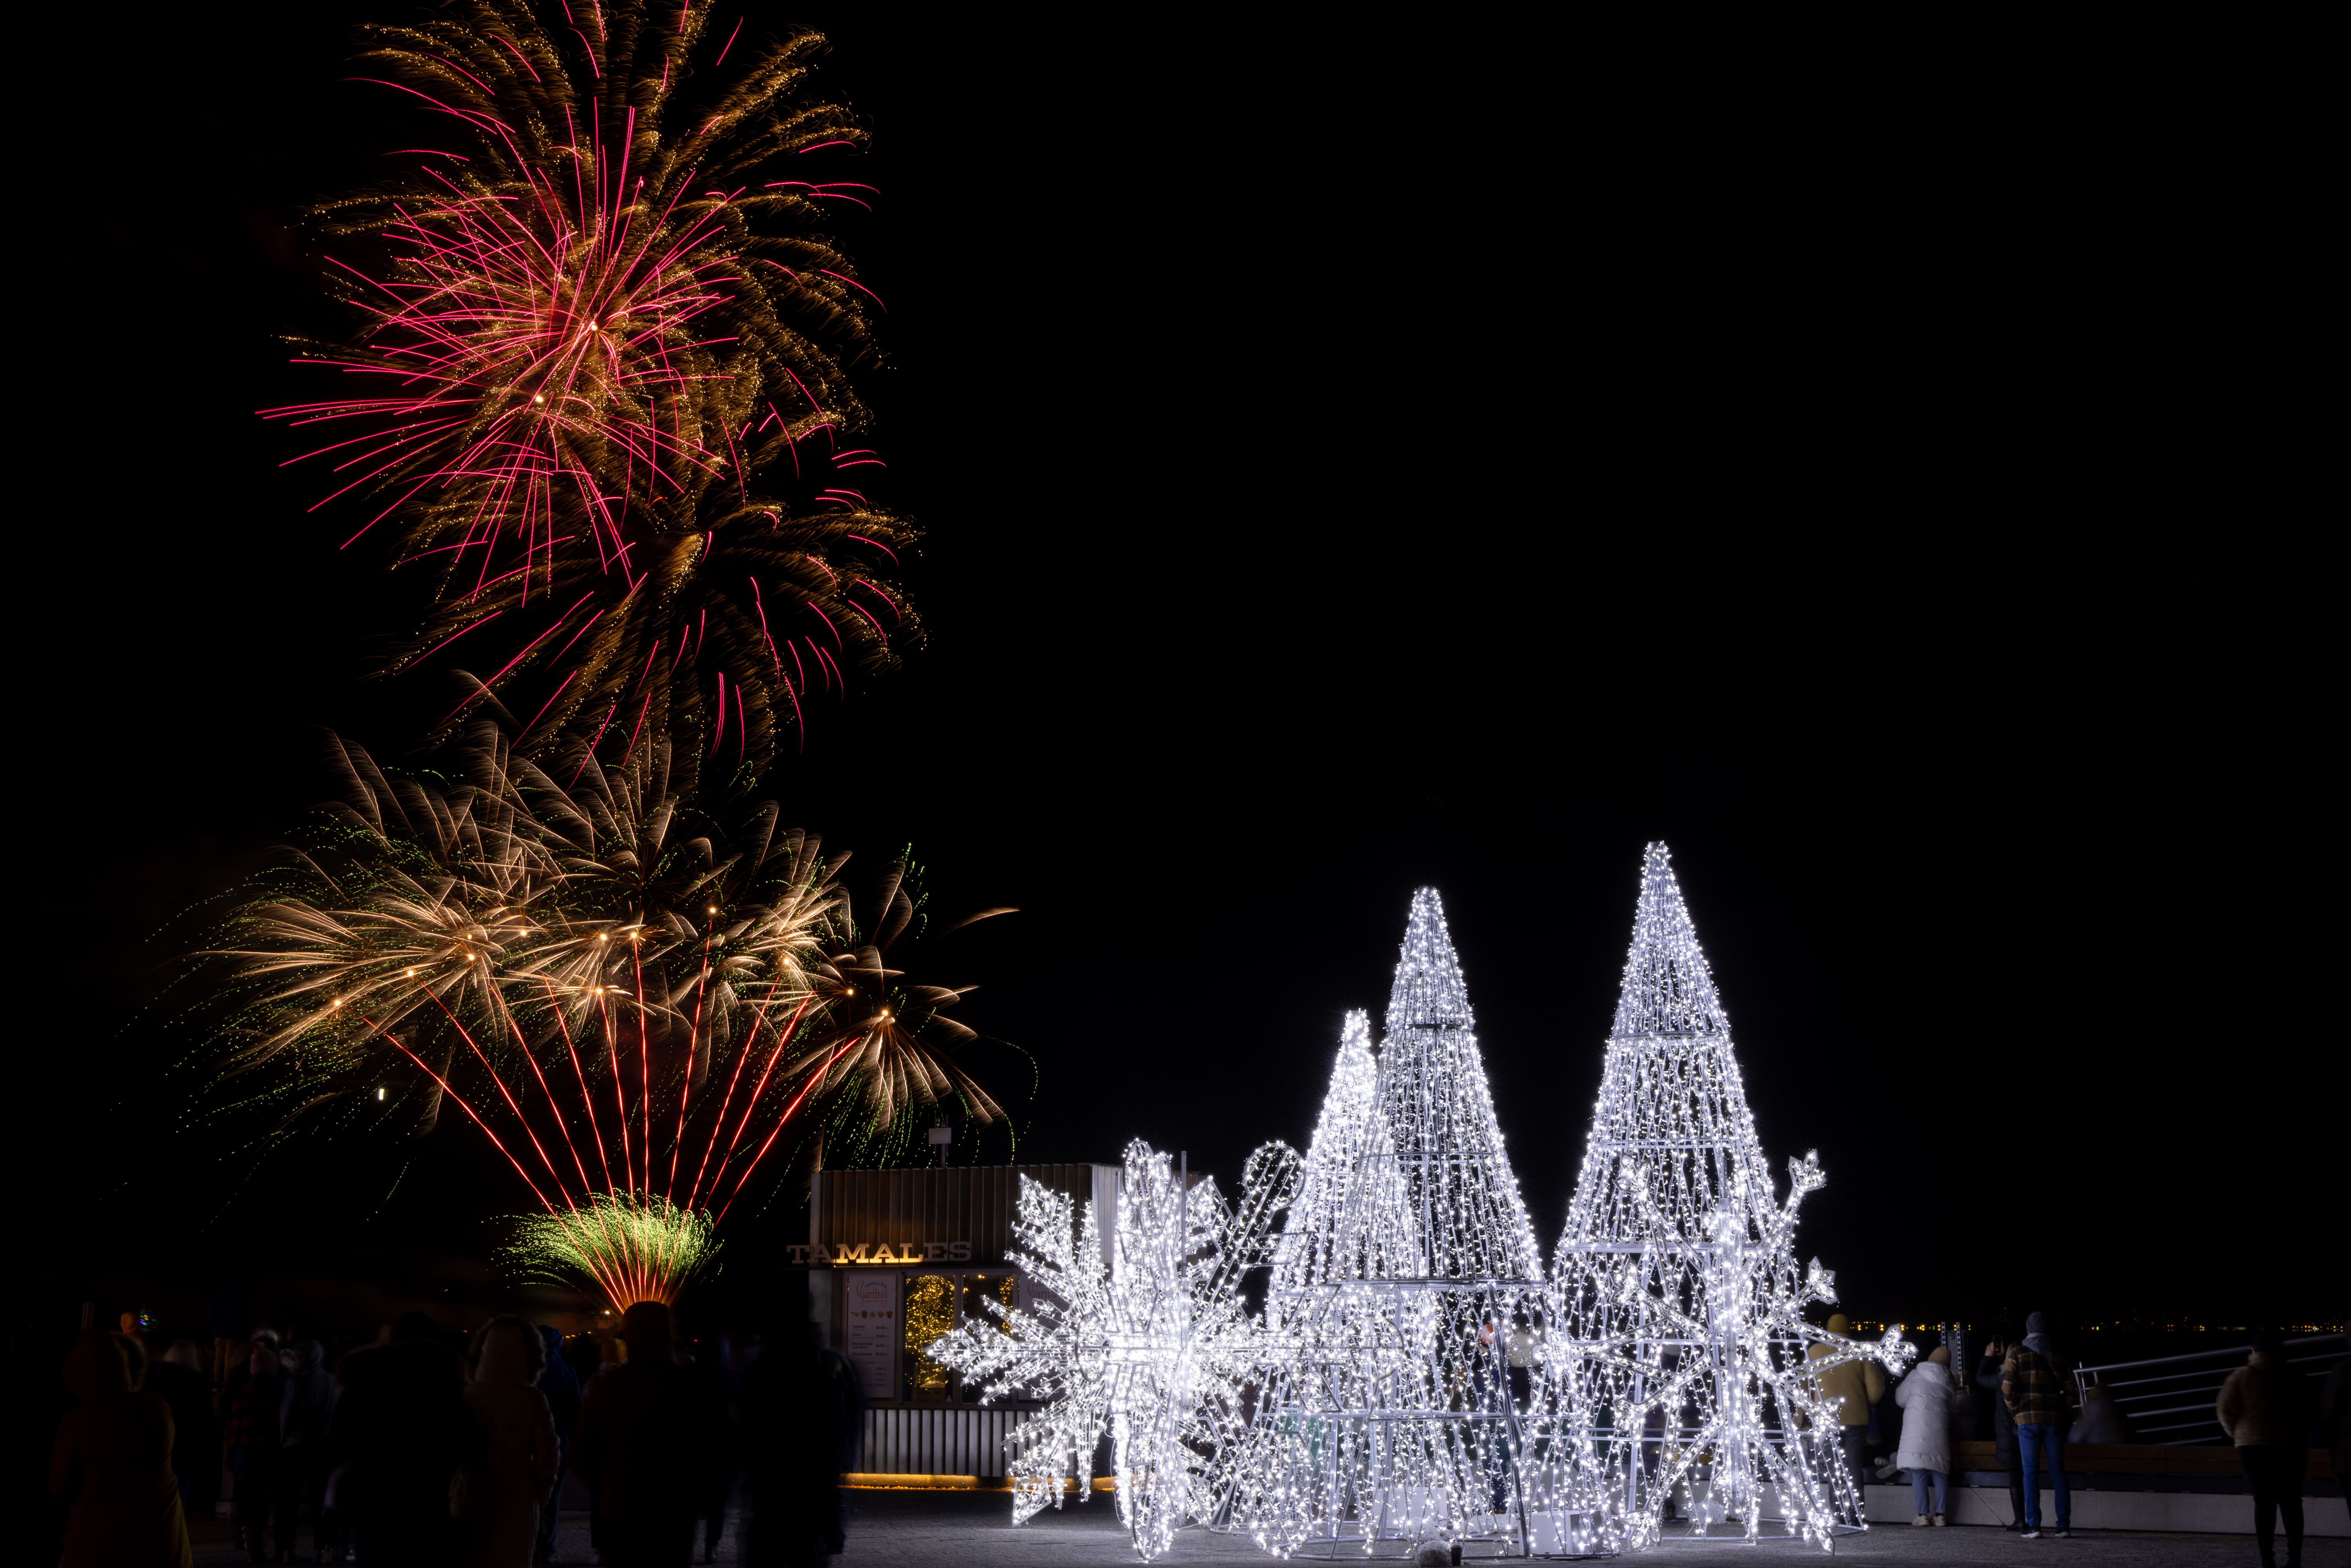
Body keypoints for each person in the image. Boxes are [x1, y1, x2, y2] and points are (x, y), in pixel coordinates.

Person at [571, 1301, 718, 1565]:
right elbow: (710, 1450)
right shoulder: (689, 1387)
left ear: (629, 1335)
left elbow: (582, 1453)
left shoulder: (608, 1387)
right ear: (669, 1335)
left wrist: (611, 1487)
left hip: (620, 1511)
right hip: (674, 1512)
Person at [335, 1310, 476, 1566]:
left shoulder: (363, 1375)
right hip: (425, 1491)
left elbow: (341, 1435)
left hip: (371, 1492)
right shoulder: (439, 1380)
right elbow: (469, 1436)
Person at [51, 1327, 194, 1568]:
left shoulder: (77, 1424)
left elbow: (61, 1489)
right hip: (161, 1538)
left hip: (97, 1540)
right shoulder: (156, 1409)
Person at [742, 1290, 862, 1565]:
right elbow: (835, 1428)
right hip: (811, 1482)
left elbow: (750, 1424)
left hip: (772, 1482)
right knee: (804, 1547)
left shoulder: (763, 1370)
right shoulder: (824, 1371)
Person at [462, 1315, 561, 1568]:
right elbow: (549, 1459)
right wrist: (539, 1499)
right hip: (519, 1494)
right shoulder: (532, 1399)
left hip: (475, 1492)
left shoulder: (469, 1394)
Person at [2218, 1328, 2313, 1568]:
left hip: (2254, 1446)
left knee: (2263, 1501)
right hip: (2292, 1444)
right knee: (2291, 1501)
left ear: (2254, 1350)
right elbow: (2312, 1409)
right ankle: (2294, 1558)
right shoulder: (2296, 1375)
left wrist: (2239, 1434)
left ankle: (2267, 1559)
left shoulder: (2240, 1377)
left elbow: (2225, 1411)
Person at [2001, 1311, 2074, 1539]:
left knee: (2030, 1473)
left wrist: (2016, 1411)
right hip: (2054, 1420)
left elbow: (2007, 1390)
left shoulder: (2018, 1354)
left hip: (2028, 1420)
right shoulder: (2060, 1357)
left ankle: (2034, 1526)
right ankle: (2063, 1526)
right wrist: (2061, 1411)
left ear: (2028, 1330)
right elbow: (2071, 1392)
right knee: (2058, 1473)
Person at [1807, 1314, 1886, 1509]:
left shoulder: (1814, 1351)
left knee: (1834, 1467)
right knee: (1854, 1466)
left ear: (1828, 1328)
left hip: (1826, 1418)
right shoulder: (1859, 1351)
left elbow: (1804, 1384)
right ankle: (1856, 1513)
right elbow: (1876, 1388)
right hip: (1855, 1417)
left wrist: (1803, 1414)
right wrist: (1864, 1403)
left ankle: (1837, 1511)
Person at [226, 1332, 286, 1561]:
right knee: (281, 1504)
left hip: (245, 1458)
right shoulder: (279, 1392)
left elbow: (235, 1430)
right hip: (273, 1456)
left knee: (251, 1507)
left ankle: (255, 1552)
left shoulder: (241, 1394)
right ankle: (282, 1550)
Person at [278, 1339, 338, 1561]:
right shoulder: (333, 1382)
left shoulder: (294, 1383)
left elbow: (286, 1417)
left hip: (295, 1447)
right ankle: (321, 1549)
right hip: (322, 1447)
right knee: (320, 1501)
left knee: (289, 1501)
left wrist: (283, 1440)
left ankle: (287, 1549)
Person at [151, 1340, 221, 1517]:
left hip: (161, 1443)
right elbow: (205, 1419)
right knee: (181, 1490)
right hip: (187, 1446)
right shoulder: (198, 1383)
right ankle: (176, 1526)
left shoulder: (158, 1379)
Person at [536, 1324, 583, 1564]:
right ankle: (546, 1548)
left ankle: (525, 1542)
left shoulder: (525, 1368)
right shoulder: (566, 1371)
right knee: (553, 1496)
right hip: (558, 1440)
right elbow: (576, 1411)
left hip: (529, 1441)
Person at [1893, 1346, 1954, 1526]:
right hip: (1939, 1433)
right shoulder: (1950, 1380)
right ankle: (1941, 1516)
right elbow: (1952, 1404)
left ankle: (1923, 1516)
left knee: (1919, 1474)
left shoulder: (1915, 1375)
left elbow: (1900, 1400)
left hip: (1915, 1433)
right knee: (1940, 1473)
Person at [1974, 1329, 2027, 1530]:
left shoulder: (2004, 1378)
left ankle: (2020, 1520)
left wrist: (1989, 1357)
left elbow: (1980, 1378)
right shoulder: (2027, 1376)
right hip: (2026, 1430)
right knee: (2027, 1475)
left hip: (2007, 1435)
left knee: (2015, 1477)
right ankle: (2030, 1519)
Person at [2070, 1378, 2137, 1444]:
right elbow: (2131, 1433)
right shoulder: (2115, 1407)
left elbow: (2074, 1438)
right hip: (2122, 1446)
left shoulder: (2091, 1409)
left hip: (2100, 1448)